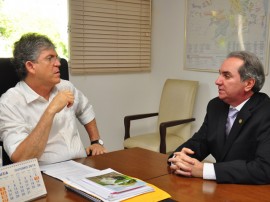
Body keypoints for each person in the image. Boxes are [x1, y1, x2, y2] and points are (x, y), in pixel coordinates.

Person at [0, 33, 107, 165]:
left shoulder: (65, 86)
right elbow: (22, 158)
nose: (58, 63)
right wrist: (50, 111)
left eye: (57, 58)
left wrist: (96, 142)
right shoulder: (9, 103)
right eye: (49, 58)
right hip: (45, 175)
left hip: (80, 165)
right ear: (31, 66)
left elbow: (85, 109)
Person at [168, 51, 270, 184]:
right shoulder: (216, 106)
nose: (217, 81)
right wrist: (178, 159)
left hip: (252, 191)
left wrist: (204, 170)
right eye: (220, 74)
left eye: (226, 76)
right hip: (221, 188)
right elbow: (200, 143)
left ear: (249, 84)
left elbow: (264, 169)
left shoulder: (266, 112)